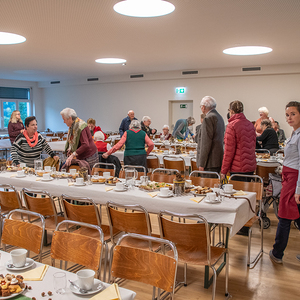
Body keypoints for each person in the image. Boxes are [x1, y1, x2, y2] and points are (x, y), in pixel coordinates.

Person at [269, 101, 300, 264]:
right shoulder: (294, 134)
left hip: (295, 180)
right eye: (287, 115)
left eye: (293, 114)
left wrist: (298, 188)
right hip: (289, 177)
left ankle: (277, 252)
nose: (289, 118)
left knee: (285, 216)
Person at [220, 101, 256, 180]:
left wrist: (223, 171)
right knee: (248, 191)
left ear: (231, 111)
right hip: (250, 166)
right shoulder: (250, 124)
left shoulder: (232, 125)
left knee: (237, 192)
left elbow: (228, 151)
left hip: (238, 167)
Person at [196, 96, 225, 173]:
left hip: (209, 162)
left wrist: (202, 163)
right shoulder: (219, 117)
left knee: (208, 184)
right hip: (217, 159)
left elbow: (205, 143)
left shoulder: (208, 118)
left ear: (203, 107)